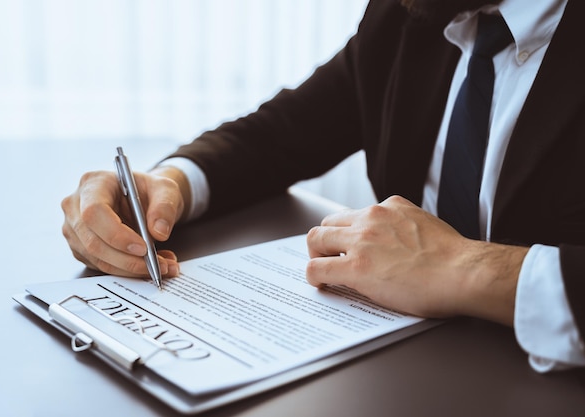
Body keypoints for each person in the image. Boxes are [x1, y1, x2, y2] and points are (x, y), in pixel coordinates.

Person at [61, 0, 585, 372]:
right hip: (405, 378)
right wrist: (167, 182)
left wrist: (465, 268)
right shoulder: (410, 14)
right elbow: (282, 133)